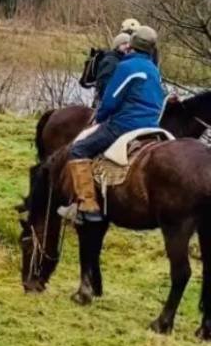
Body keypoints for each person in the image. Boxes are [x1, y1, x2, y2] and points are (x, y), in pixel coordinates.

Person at [59, 26, 165, 224]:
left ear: (133, 44)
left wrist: (99, 118)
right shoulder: (154, 70)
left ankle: (87, 206)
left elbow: (110, 100)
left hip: (124, 125)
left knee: (79, 149)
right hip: (152, 125)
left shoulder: (126, 67)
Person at [93, 32, 131, 106]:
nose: (127, 46)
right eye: (124, 43)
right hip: (107, 103)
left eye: (129, 44)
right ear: (117, 46)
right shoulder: (111, 61)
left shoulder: (122, 60)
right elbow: (105, 84)